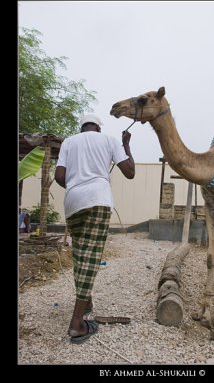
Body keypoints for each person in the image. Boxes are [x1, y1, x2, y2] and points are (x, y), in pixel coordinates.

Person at [55, 113, 135, 344]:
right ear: (98, 128)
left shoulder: (69, 142)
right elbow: (130, 172)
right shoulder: (109, 140)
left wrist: (76, 184)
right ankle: (76, 323)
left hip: (72, 202)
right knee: (91, 259)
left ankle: (86, 301)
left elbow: (60, 176)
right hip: (98, 199)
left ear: (83, 128)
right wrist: (127, 146)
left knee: (81, 254)